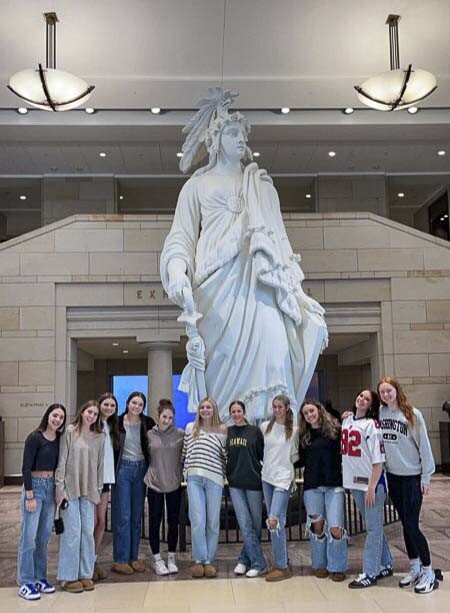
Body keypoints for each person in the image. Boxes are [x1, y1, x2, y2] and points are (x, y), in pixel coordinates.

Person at [160, 88, 327, 423]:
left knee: (273, 352)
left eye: (243, 134)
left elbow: (279, 243)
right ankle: (221, 438)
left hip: (260, 283)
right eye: (233, 132)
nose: (241, 139)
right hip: (216, 290)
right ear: (215, 138)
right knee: (222, 363)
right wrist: (177, 272)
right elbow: (180, 237)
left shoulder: (260, 184)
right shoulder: (197, 186)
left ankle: (272, 438)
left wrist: (293, 289)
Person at [378, 376, 437, 594]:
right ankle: (414, 567)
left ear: (396, 390)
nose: (386, 395)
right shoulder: (382, 413)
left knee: (412, 525)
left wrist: (426, 477)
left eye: (389, 391)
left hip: (412, 476)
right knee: (405, 524)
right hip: (394, 477)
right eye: (382, 392)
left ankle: (428, 570)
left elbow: (424, 447)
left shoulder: (412, 414)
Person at [341, 390, 393, 589]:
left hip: (371, 485)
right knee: (375, 526)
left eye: (366, 399)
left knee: (372, 529)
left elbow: (379, 461)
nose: (361, 399)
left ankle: (370, 573)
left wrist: (371, 487)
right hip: (355, 484)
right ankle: (386, 563)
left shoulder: (372, 425)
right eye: (360, 396)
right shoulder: (347, 420)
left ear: (371, 405)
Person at [17, 403, 66, 601]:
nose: (57, 420)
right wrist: (29, 494)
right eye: (55, 415)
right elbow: (26, 467)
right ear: (48, 416)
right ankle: (25, 581)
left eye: (61, 417)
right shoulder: (35, 437)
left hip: (51, 486)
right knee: (28, 537)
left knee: (44, 536)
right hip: (35, 487)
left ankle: (39, 577)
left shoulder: (59, 439)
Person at [55, 400, 105, 593]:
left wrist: (98, 490)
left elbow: (100, 465)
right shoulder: (70, 432)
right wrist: (60, 488)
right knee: (72, 532)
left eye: (95, 414)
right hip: (70, 488)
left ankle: (85, 574)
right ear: (82, 411)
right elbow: (62, 460)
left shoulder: (99, 437)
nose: (91, 416)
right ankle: (68, 577)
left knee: (87, 533)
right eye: (89, 412)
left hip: (90, 490)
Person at [298, 399, 347, 581]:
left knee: (335, 526)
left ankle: (338, 566)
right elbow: (299, 460)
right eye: (305, 413)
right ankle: (320, 564)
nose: (309, 415)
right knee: (317, 527)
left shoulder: (335, 430)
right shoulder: (304, 436)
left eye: (311, 411)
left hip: (333, 484)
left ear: (318, 410)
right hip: (312, 486)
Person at [111, 391, 155, 575]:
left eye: (140, 404)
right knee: (124, 515)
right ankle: (121, 559)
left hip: (141, 469)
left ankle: (133, 557)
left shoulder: (148, 423)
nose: (136, 406)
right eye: (133, 403)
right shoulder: (117, 423)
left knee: (137, 517)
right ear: (127, 403)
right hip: (123, 470)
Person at [183, 396, 227, 579]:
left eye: (209, 407)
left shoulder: (222, 429)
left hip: (215, 479)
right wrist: (185, 472)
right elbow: (185, 451)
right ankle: (199, 559)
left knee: (213, 521)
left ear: (214, 409)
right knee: (198, 519)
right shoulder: (190, 428)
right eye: (202, 407)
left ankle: (209, 560)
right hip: (194, 479)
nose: (205, 410)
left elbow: (225, 455)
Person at [260, 394, 299, 582]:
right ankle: (281, 561)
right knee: (277, 522)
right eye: (274, 406)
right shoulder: (265, 427)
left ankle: (281, 566)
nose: (276, 410)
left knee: (274, 520)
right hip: (267, 477)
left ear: (286, 408)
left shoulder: (294, 430)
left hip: (283, 480)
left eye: (280, 407)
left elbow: (297, 456)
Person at [226, 400, 266, 578]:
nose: (236, 414)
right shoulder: (228, 432)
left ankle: (244, 559)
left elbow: (261, 454)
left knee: (255, 525)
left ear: (244, 412)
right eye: (233, 412)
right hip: (235, 484)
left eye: (238, 411)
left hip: (254, 483)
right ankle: (258, 562)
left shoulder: (254, 431)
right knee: (244, 523)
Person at [145, 399, 184, 576]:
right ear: (158, 416)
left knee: (173, 522)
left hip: (174, 485)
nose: (166, 420)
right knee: (154, 522)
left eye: (170, 417)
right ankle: (157, 558)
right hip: (154, 485)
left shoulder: (180, 435)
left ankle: (171, 556)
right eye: (164, 416)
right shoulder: (149, 435)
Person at [92, 393, 119, 582]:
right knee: (90, 523)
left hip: (106, 481)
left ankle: (93, 560)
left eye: (112, 405)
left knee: (101, 522)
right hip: (91, 481)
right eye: (106, 404)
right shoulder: (92, 425)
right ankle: (85, 562)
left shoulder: (112, 427)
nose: (109, 408)